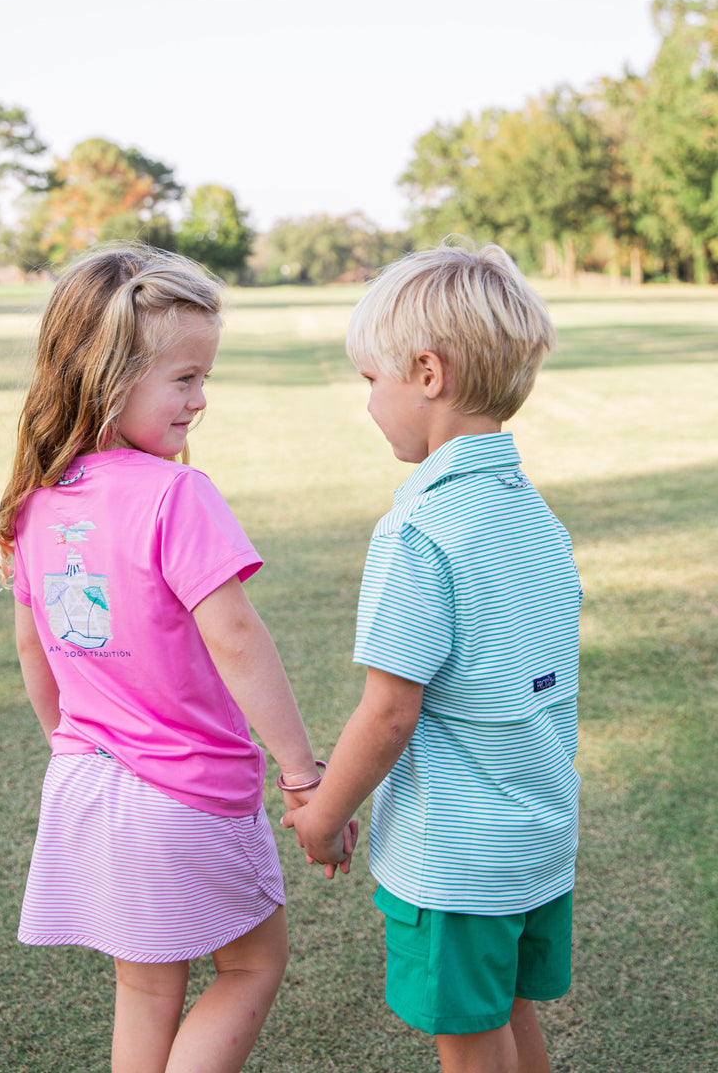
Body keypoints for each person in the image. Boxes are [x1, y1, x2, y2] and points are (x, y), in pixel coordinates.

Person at [0, 242, 353, 1073]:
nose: (201, 401)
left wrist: (69, 741)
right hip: (186, 794)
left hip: (85, 785)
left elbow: (31, 646)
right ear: (110, 381)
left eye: (205, 377)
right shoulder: (176, 494)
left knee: (147, 993)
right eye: (185, 379)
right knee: (252, 963)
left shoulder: (39, 501)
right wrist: (301, 774)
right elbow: (235, 636)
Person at [283, 239, 581, 1073]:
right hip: (537, 838)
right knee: (508, 1011)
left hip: (457, 860)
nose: (367, 402)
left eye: (369, 381)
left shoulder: (418, 532)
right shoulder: (535, 517)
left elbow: (388, 710)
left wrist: (323, 814)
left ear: (426, 373)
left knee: (469, 1035)